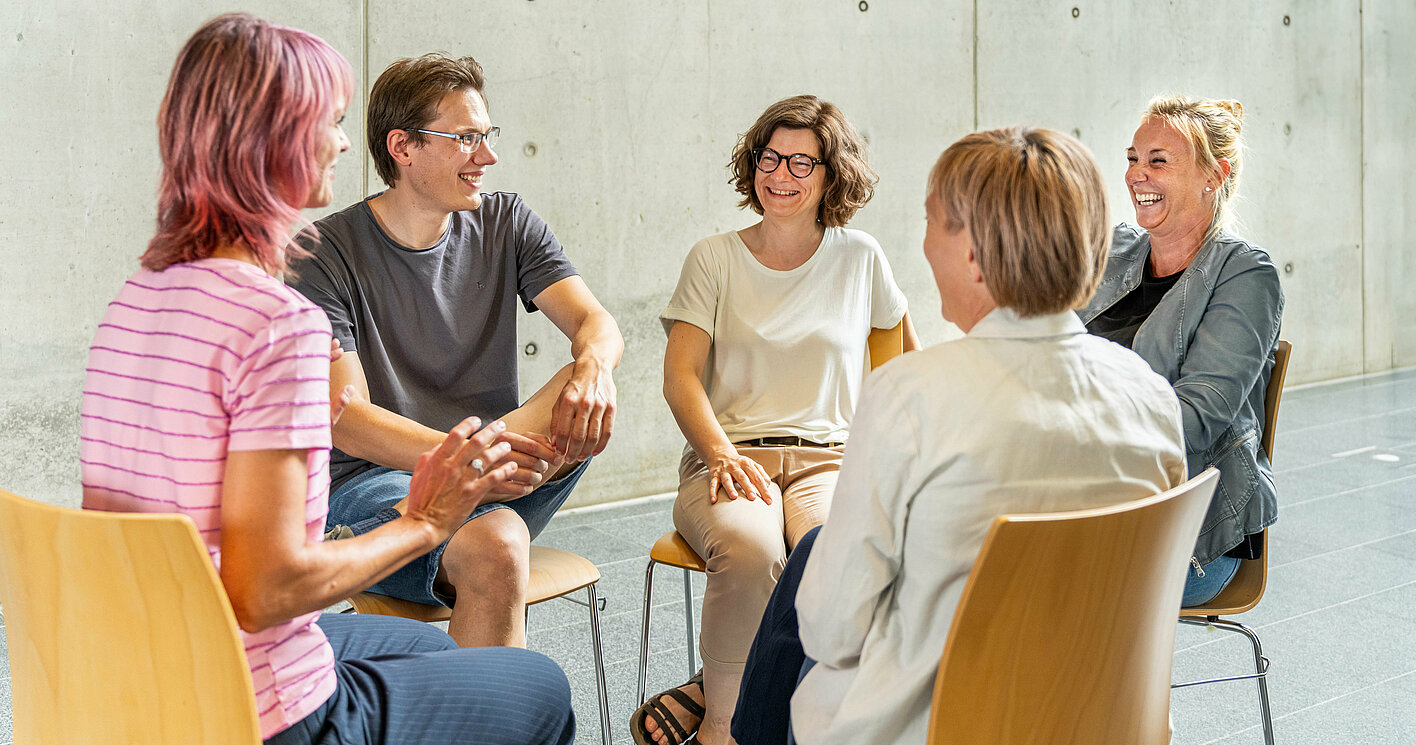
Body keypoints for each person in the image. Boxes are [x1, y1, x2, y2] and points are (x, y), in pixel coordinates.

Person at [79, 14, 573, 744]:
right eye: (331, 122)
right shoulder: (275, 322)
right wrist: (425, 523)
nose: (345, 142)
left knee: (444, 652)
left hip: (155, 671)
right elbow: (267, 590)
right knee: (535, 683)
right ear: (270, 139)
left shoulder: (139, 298)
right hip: (262, 706)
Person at [727, 127, 1189, 745]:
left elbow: (831, 628)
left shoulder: (912, 397)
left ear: (972, 254)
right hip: (1096, 723)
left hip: (936, 728)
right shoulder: (1150, 396)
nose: (921, 245)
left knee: (816, 585)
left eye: (931, 222)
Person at [288, 54, 624, 648]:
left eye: (486, 136)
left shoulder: (509, 222)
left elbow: (595, 323)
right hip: (376, 487)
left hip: (499, 471)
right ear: (403, 146)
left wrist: (595, 369)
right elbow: (349, 423)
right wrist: (469, 460)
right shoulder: (322, 253)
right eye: (466, 138)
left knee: (581, 375)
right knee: (498, 543)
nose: (487, 156)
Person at [635, 95, 916, 745]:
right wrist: (720, 454)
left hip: (830, 457)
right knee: (753, 548)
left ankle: (781, 710)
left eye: (800, 161)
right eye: (769, 156)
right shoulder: (713, 258)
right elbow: (680, 378)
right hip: (729, 455)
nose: (780, 174)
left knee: (834, 553)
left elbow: (901, 369)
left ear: (830, 174)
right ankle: (724, 728)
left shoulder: (861, 258)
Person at [1078, 95, 1284, 606]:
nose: (1136, 175)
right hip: (1089, 496)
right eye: (1132, 158)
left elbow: (1192, 419)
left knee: (1025, 572)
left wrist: (1073, 416)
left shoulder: (1244, 276)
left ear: (1214, 175)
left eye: (1158, 161)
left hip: (1191, 534)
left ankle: (1088, 687)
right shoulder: (1115, 249)